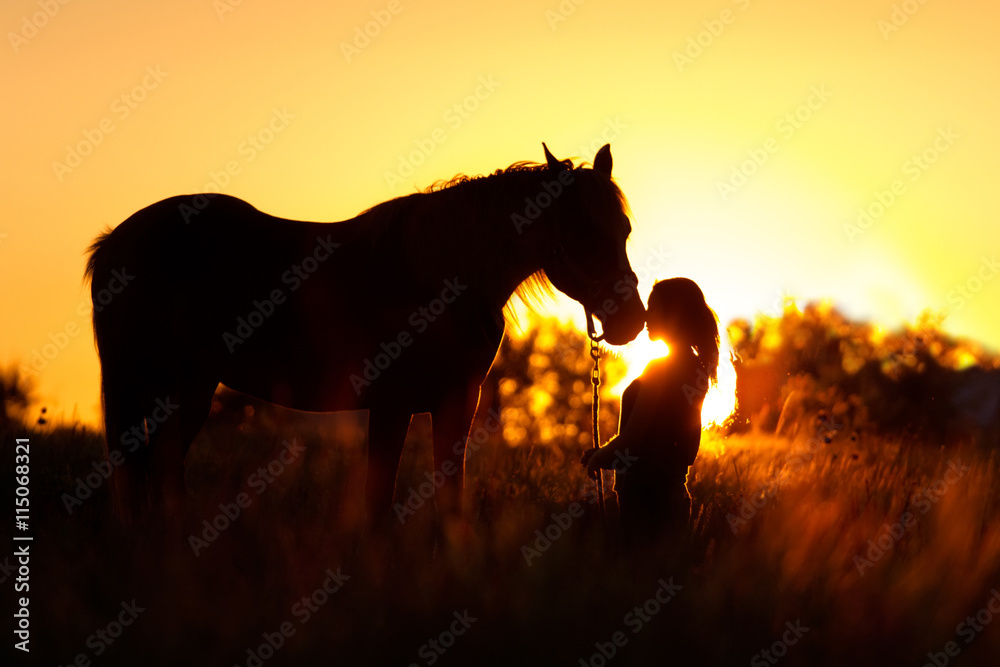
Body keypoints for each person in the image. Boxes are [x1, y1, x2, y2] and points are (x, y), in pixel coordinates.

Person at [582, 277, 720, 549]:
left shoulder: (660, 370)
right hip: (672, 495)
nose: (645, 314)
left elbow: (633, 438)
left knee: (636, 575)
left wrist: (598, 458)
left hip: (645, 500)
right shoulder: (696, 369)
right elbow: (659, 437)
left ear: (673, 314)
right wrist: (606, 454)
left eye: (653, 307)